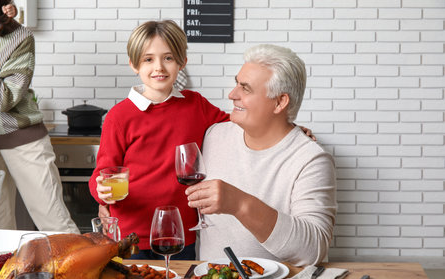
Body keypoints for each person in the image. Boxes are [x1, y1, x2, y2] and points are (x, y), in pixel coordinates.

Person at [88, 20, 229, 259]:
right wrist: (102, 192)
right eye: (148, 59)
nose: (159, 67)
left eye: (169, 58)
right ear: (134, 64)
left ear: (182, 62)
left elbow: (237, 127)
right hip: (131, 234)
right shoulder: (119, 116)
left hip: (182, 232)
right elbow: (102, 173)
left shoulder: (196, 104)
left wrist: (289, 128)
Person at [185, 44, 337, 266]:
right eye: (237, 83)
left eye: (245, 88)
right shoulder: (213, 135)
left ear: (280, 102)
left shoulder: (310, 160)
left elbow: (312, 249)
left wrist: (239, 203)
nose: (232, 94)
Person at [0, 0, 79, 233]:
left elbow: (5, 99)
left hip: (22, 138)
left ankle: (83, 268)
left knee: (55, 224)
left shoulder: (19, 37)